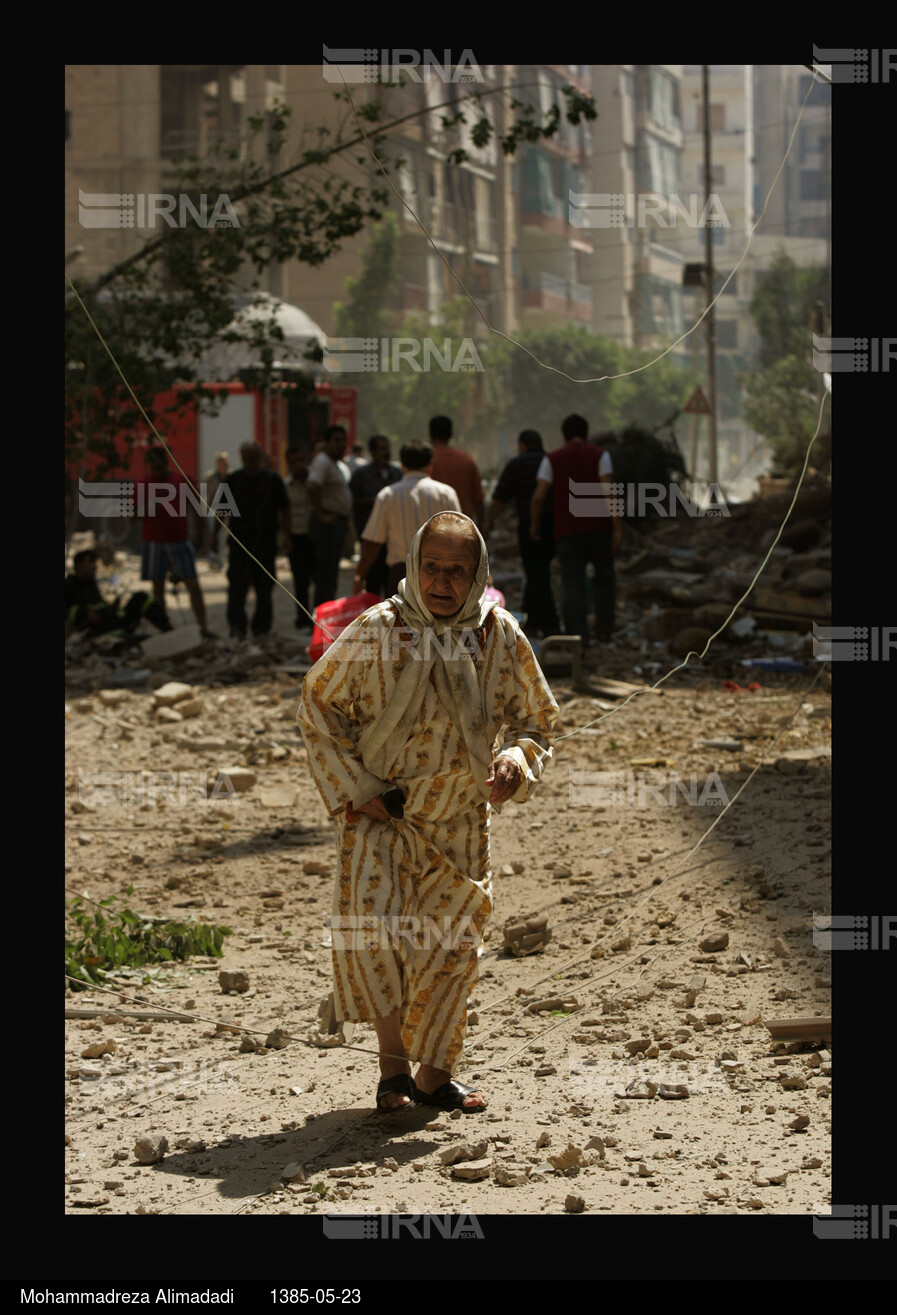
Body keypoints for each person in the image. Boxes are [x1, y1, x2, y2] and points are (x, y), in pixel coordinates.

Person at [297, 511, 558, 1113]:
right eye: (432, 568)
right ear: (414, 567)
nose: (442, 582)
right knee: (377, 941)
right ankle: (393, 1075)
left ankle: (437, 1077)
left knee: (453, 944)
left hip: (461, 820)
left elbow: (536, 719)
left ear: (478, 575)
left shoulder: (499, 635)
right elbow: (318, 707)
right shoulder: (377, 629)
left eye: (456, 571)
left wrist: (517, 760)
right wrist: (356, 787)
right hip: (378, 816)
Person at [530, 414, 622, 646]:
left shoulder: (552, 459)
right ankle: (604, 629)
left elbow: (539, 497)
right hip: (599, 529)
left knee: (571, 583)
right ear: (587, 432)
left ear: (564, 435)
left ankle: (577, 636)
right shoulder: (600, 455)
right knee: (604, 578)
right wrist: (617, 527)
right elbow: (609, 491)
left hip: (567, 531)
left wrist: (535, 524)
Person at [352, 442, 460, 597]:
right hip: (441, 574)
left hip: (400, 574)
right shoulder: (446, 493)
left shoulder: (388, 495)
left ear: (402, 465)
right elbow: (460, 538)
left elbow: (373, 541)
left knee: (401, 620)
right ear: (430, 464)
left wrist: (360, 575)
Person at [210, 441, 291, 639]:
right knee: (237, 585)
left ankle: (261, 627)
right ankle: (237, 626)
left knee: (264, 586)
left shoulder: (273, 480)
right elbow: (221, 510)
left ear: (259, 457)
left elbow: (284, 510)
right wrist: (214, 535)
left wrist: (286, 536)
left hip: (265, 541)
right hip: (239, 542)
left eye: (252, 459)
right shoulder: (231, 480)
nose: (249, 463)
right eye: (245, 459)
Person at [485, 428, 561, 636]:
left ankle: (549, 624)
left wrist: (489, 521)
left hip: (530, 525)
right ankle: (535, 621)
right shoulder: (551, 461)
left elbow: (500, 497)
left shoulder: (517, 465)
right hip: (554, 525)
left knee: (537, 574)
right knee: (538, 572)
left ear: (522, 445)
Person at [136, 447, 214, 638]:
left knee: (193, 585)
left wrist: (201, 536)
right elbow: (132, 515)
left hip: (179, 541)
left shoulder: (182, 480)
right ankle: (165, 628)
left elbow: (197, 509)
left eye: (159, 468)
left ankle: (203, 627)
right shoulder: (143, 484)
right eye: (152, 469)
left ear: (166, 463)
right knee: (158, 587)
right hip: (154, 543)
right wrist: (147, 508)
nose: (156, 472)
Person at [65, 548, 169, 638]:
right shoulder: (70, 585)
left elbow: (99, 604)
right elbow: (73, 612)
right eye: (90, 562)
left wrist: (112, 607)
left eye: (94, 563)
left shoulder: (90, 583)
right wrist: (86, 615)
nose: (94, 566)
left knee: (141, 597)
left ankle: (167, 628)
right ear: (78, 565)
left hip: (112, 619)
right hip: (99, 629)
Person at [349, 436, 402, 597]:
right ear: (372, 451)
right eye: (381, 448)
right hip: (371, 538)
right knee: (372, 587)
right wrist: (374, 501)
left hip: (393, 541)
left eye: (387, 448)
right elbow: (352, 502)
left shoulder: (397, 473)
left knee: (393, 590)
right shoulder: (361, 475)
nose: (386, 452)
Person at [306, 425, 354, 606]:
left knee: (330, 573)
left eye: (343, 440)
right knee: (325, 574)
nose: (341, 444)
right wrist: (322, 515)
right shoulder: (323, 461)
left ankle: (325, 615)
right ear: (326, 443)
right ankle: (321, 618)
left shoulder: (336, 464)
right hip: (327, 524)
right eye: (336, 440)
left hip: (336, 523)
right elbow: (312, 486)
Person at [427, 415, 484, 524]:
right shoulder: (466, 460)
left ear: (430, 435)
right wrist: (481, 527)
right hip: (462, 529)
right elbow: (478, 500)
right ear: (451, 434)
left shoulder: (425, 462)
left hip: (432, 531)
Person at [285, 449, 316, 630]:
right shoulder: (285, 485)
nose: (298, 464)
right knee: (300, 581)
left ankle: (320, 619)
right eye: (294, 461)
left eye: (301, 460)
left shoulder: (315, 484)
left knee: (319, 580)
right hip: (297, 537)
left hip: (315, 537)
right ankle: (302, 619)